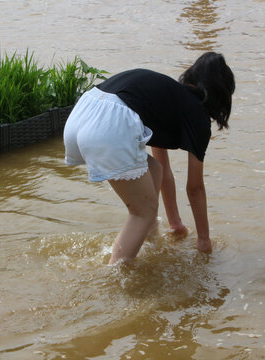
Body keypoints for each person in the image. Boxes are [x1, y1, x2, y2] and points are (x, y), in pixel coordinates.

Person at [63, 52, 235, 264]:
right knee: (142, 212)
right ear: (221, 95)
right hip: (108, 123)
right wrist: (204, 241)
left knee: (153, 170)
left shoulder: (166, 97)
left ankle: (150, 241)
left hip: (82, 113)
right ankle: (112, 277)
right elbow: (195, 188)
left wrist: (175, 225)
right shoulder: (197, 116)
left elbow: (163, 169)